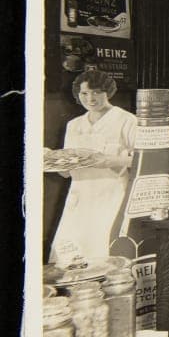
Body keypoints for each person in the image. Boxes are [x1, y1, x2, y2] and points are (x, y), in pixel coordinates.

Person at [49, 68, 137, 261]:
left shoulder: (126, 120)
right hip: (80, 198)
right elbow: (67, 172)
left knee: (105, 250)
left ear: (108, 91)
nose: (90, 98)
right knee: (73, 254)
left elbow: (142, 161)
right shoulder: (74, 125)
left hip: (112, 196)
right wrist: (54, 163)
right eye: (84, 93)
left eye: (97, 92)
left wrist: (108, 160)